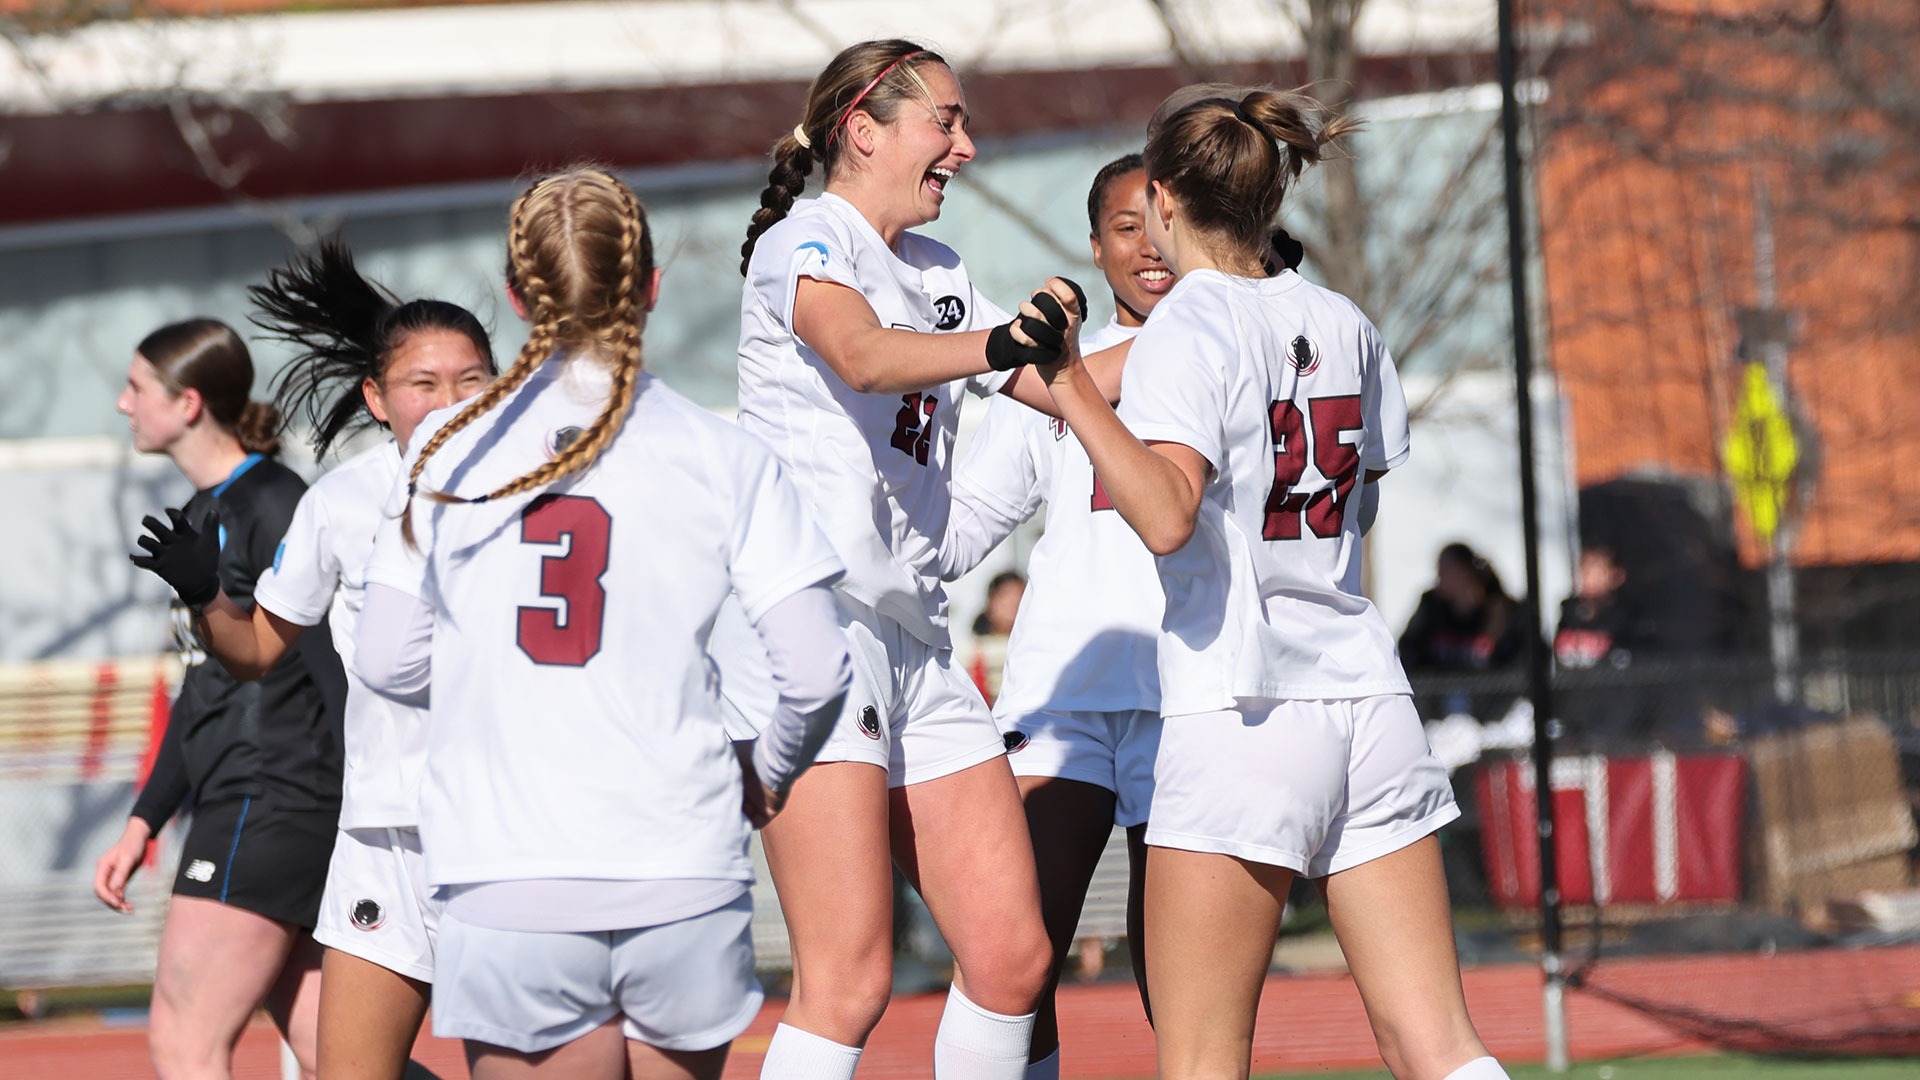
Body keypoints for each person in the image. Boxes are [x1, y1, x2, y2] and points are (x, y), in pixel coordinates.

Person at [1027, 85, 1509, 1080]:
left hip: (1243, 706)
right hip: (1368, 702)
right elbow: (1363, 485)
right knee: (1441, 1049)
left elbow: (1164, 516)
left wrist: (1072, 384)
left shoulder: (1185, 329)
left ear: (1162, 199)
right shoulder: (1342, 318)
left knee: (1203, 1059)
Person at [354, 166, 849, 1080]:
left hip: (510, 863)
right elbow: (817, 669)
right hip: (683, 858)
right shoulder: (720, 451)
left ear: (513, 296)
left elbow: (385, 657)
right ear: (652, 286)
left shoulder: (446, 444)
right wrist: (765, 774)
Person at [730, 38, 1132, 1080]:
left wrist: (1232, 323)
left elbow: (1062, 386)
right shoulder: (806, 239)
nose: (968, 144)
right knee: (850, 982)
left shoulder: (939, 272)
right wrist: (1006, 347)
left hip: (911, 633)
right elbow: (863, 355)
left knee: (1011, 957)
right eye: (945, 121)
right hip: (815, 621)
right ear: (862, 131)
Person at [129, 241, 496, 1080]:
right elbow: (257, 648)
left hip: (495, 833)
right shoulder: (340, 502)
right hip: (379, 837)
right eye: (422, 385)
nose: (447, 403)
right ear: (377, 398)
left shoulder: (536, 488)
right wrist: (208, 597)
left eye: (470, 381)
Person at [940, 153, 1172, 1079]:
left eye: (1163, 223)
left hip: (1186, 690)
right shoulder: (1050, 378)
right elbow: (955, 535)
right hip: (1064, 695)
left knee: (1184, 975)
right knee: (1014, 956)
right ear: (1093, 243)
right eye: (1124, 227)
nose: (1148, 246)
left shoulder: (1234, 345)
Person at [97, 318, 344, 1080]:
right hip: (246, 798)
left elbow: (333, 666)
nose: (122, 404)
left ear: (189, 401)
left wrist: (371, 797)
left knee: (183, 1036)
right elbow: (205, 681)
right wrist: (145, 817)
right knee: (337, 1056)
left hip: (269, 800)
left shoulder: (274, 503)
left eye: (137, 388)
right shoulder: (204, 514)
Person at [1398, 542, 1527, 674]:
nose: (1439, 578)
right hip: (1440, 691)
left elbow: (1524, 660)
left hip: (1492, 692)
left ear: (1463, 572)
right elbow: (1409, 651)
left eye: (1444, 571)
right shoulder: (1431, 609)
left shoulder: (1502, 610)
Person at [965, 569, 1026, 704]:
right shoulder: (967, 653)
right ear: (991, 603)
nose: (1012, 605)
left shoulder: (1035, 649)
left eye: (1019, 598)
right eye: (1006, 597)